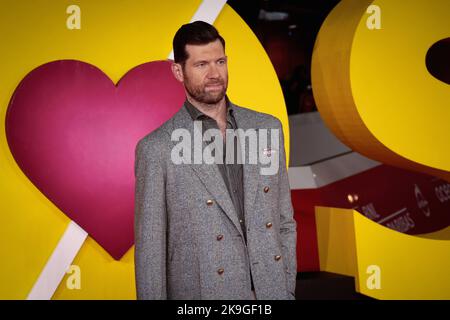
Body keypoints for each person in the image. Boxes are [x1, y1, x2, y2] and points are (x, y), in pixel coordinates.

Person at [134, 21, 297, 300]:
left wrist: (287, 288)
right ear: (178, 71)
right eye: (201, 65)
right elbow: (151, 251)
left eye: (219, 61)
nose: (214, 73)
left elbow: (284, 221)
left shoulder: (267, 129)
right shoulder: (156, 149)